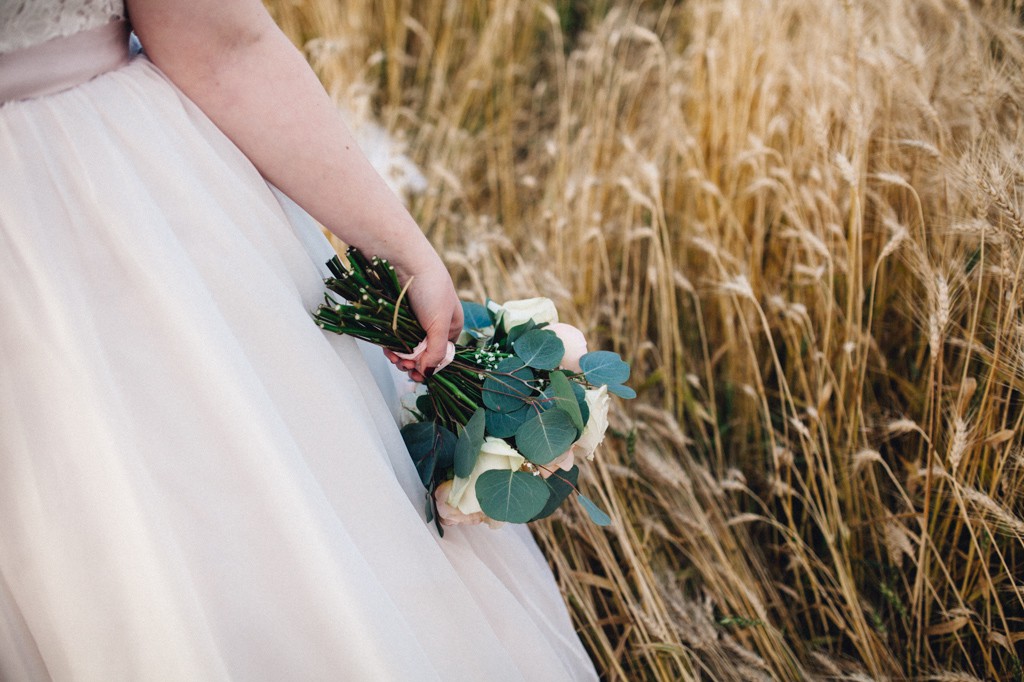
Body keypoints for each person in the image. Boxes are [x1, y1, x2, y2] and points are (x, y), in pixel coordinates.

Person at [0, 0, 598, 679]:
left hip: (127, 230)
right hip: (109, 206)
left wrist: (401, 251)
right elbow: (223, 46)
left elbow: (224, 47)